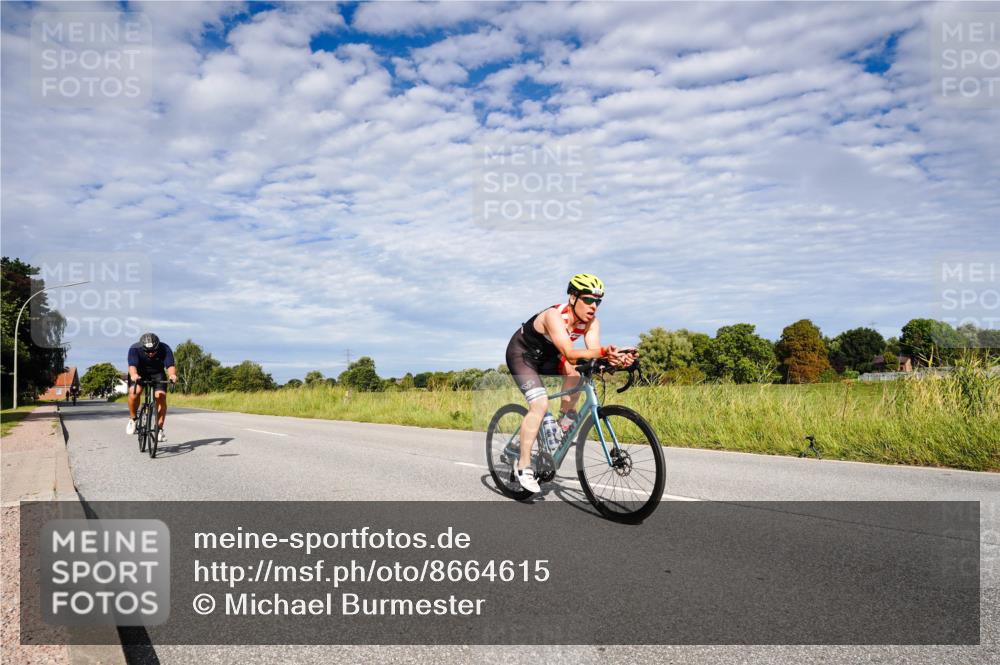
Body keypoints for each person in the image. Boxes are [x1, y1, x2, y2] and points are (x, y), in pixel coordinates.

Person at [504, 274, 636, 493]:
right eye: (588, 299)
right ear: (573, 297)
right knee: (540, 404)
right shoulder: (554, 316)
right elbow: (571, 352)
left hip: (549, 357)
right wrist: (605, 351)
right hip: (523, 355)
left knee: (577, 372)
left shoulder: (591, 323)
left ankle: (561, 425)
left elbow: (589, 353)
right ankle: (523, 466)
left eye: (598, 301)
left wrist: (617, 358)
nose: (593, 306)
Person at [125, 332, 178, 442]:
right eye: (147, 352)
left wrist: (172, 375)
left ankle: (159, 429)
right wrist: (134, 375)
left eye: (153, 351)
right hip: (139, 373)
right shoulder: (134, 348)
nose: (150, 354)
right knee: (134, 393)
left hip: (157, 373)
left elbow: (170, 365)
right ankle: (133, 419)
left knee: (161, 396)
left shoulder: (165, 348)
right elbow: (132, 366)